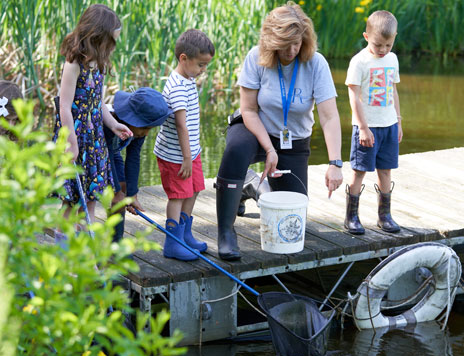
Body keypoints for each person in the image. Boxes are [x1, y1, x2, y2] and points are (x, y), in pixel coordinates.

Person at [216, 2, 343, 261]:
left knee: (291, 220)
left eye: (297, 43)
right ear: (272, 39)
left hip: (293, 139)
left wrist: (335, 162)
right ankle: (226, 232)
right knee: (236, 150)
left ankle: (252, 186)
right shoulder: (256, 57)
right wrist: (269, 148)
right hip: (255, 128)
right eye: (285, 44)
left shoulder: (316, 64)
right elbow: (249, 110)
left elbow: (329, 116)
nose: (292, 50)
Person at [53, 4, 132, 233]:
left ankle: (84, 259)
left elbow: (97, 102)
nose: (112, 48)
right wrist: (71, 143)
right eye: (111, 42)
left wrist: (114, 124)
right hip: (74, 137)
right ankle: (63, 258)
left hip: (94, 139)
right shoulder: (73, 64)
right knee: (71, 201)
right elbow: (64, 106)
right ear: (96, 37)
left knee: (91, 197)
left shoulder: (99, 64)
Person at [154, 29, 215, 261]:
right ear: (183, 58)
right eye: (200, 65)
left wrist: (192, 154)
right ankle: (172, 243)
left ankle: (185, 234)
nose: (203, 70)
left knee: (195, 188)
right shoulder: (177, 87)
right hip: (176, 155)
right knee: (178, 195)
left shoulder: (187, 79)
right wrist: (186, 158)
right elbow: (181, 125)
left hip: (191, 151)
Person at [344, 10, 402, 235]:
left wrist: (398, 121)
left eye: (388, 45)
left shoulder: (392, 59)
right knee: (359, 170)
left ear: (394, 38)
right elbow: (354, 97)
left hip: (388, 125)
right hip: (366, 127)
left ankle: (384, 215)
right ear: (366, 36)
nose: (383, 50)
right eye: (378, 45)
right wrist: (364, 128)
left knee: (385, 170)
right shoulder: (359, 62)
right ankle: (352, 216)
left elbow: (393, 91)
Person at [104, 87, 172, 242]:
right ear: (130, 118)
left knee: (123, 189)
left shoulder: (137, 131)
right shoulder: (109, 123)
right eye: (145, 128)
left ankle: (115, 244)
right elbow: (105, 157)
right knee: (115, 194)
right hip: (95, 154)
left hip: (112, 152)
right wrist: (116, 193)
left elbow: (133, 158)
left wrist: (132, 194)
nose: (146, 133)